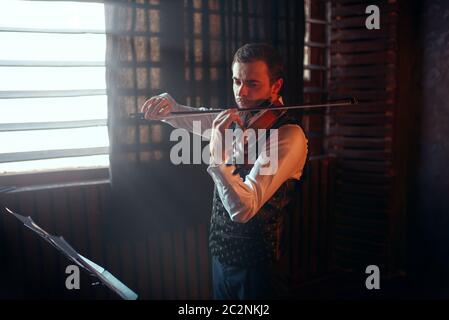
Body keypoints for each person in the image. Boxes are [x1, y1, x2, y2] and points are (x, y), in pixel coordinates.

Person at [141, 43, 308, 299]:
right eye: (236, 81)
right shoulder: (235, 119)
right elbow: (193, 117)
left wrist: (218, 155)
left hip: (259, 264)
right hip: (221, 252)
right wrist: (168, 107)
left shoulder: (288, 135)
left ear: (275, 86)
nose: (241, 92)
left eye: (252, 84)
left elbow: (244, 209)